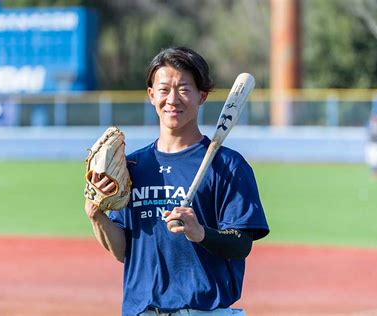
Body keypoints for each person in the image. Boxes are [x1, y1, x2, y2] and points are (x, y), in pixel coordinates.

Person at [84, 46, 269, 316]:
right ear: (151, 95)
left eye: (184, 89)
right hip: (141, 311)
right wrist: (96, 215)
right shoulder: (132, 167)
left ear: (202, 96)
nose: (172, 99)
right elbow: (125, 251)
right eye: (164, 89)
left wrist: (200, 232)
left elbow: (241, 243)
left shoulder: (228, 165)